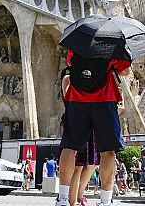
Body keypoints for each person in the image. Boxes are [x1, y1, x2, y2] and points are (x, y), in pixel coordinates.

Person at [55, 50, 132, 206]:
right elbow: (125, 70)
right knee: (108, 151)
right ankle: (105, 201)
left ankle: (62, 199)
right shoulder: (112, 46)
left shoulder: (77, 46)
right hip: (105, 100)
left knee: (69, 147)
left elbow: (72, 65)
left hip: (77, 100)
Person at [61, 63, 98, 206]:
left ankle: (79, 195)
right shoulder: (68, 78)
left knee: (91, 164)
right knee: (79, 165)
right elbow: (68, 96)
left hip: (91, 123)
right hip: (76, 122)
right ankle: (72, 200)